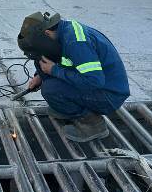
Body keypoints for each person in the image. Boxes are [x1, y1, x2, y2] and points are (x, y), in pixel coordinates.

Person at [17, 12, 130, 142]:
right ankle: (69, 107)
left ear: (46, 33)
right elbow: (63, 58)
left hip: (109, 95)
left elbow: (94, 81)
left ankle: (93, 124)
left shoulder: (76, 43)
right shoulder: (61, 32)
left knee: (51, 90)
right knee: (41, 61)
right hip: (98, 85)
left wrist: (54, 70)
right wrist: (39, 76)